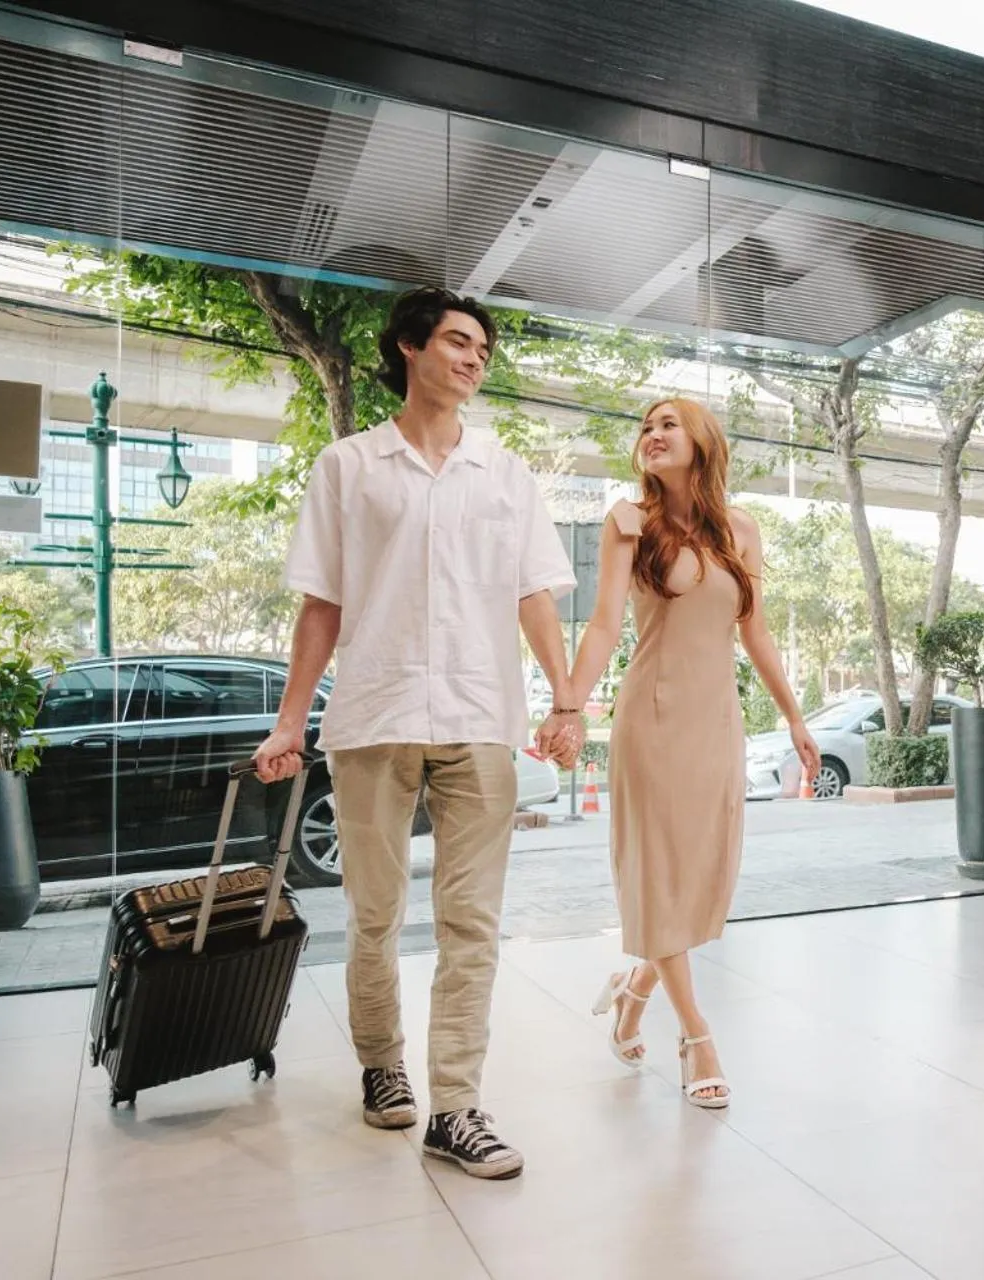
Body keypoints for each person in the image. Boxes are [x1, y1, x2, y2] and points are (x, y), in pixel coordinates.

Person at [252, 287, 581, 1180]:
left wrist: (565, 701)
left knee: (471, 921)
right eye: (458, 342)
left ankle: (459, 1107)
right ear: (407, 348)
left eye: (483, 349)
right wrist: (291, 721)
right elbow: (323, 603)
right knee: (375, 914)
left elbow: (533, 595)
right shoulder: (350, 468)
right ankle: (382, 1064)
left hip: (481, 715)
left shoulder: (504, 473)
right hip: (374, 714)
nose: (474, 359)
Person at [563, 397, 818, 1109]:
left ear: (702, 441)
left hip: (717, 722)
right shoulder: (628, 522)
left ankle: (635, 987)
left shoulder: (741, 529)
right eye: (645, 426)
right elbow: (606, 625)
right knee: (659, 874)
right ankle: (697, 1034)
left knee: (703, 875)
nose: (652, 434)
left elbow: (756, 633)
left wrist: (794, 718)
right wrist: (568, 704)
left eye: (667, 424)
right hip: (651, 715)